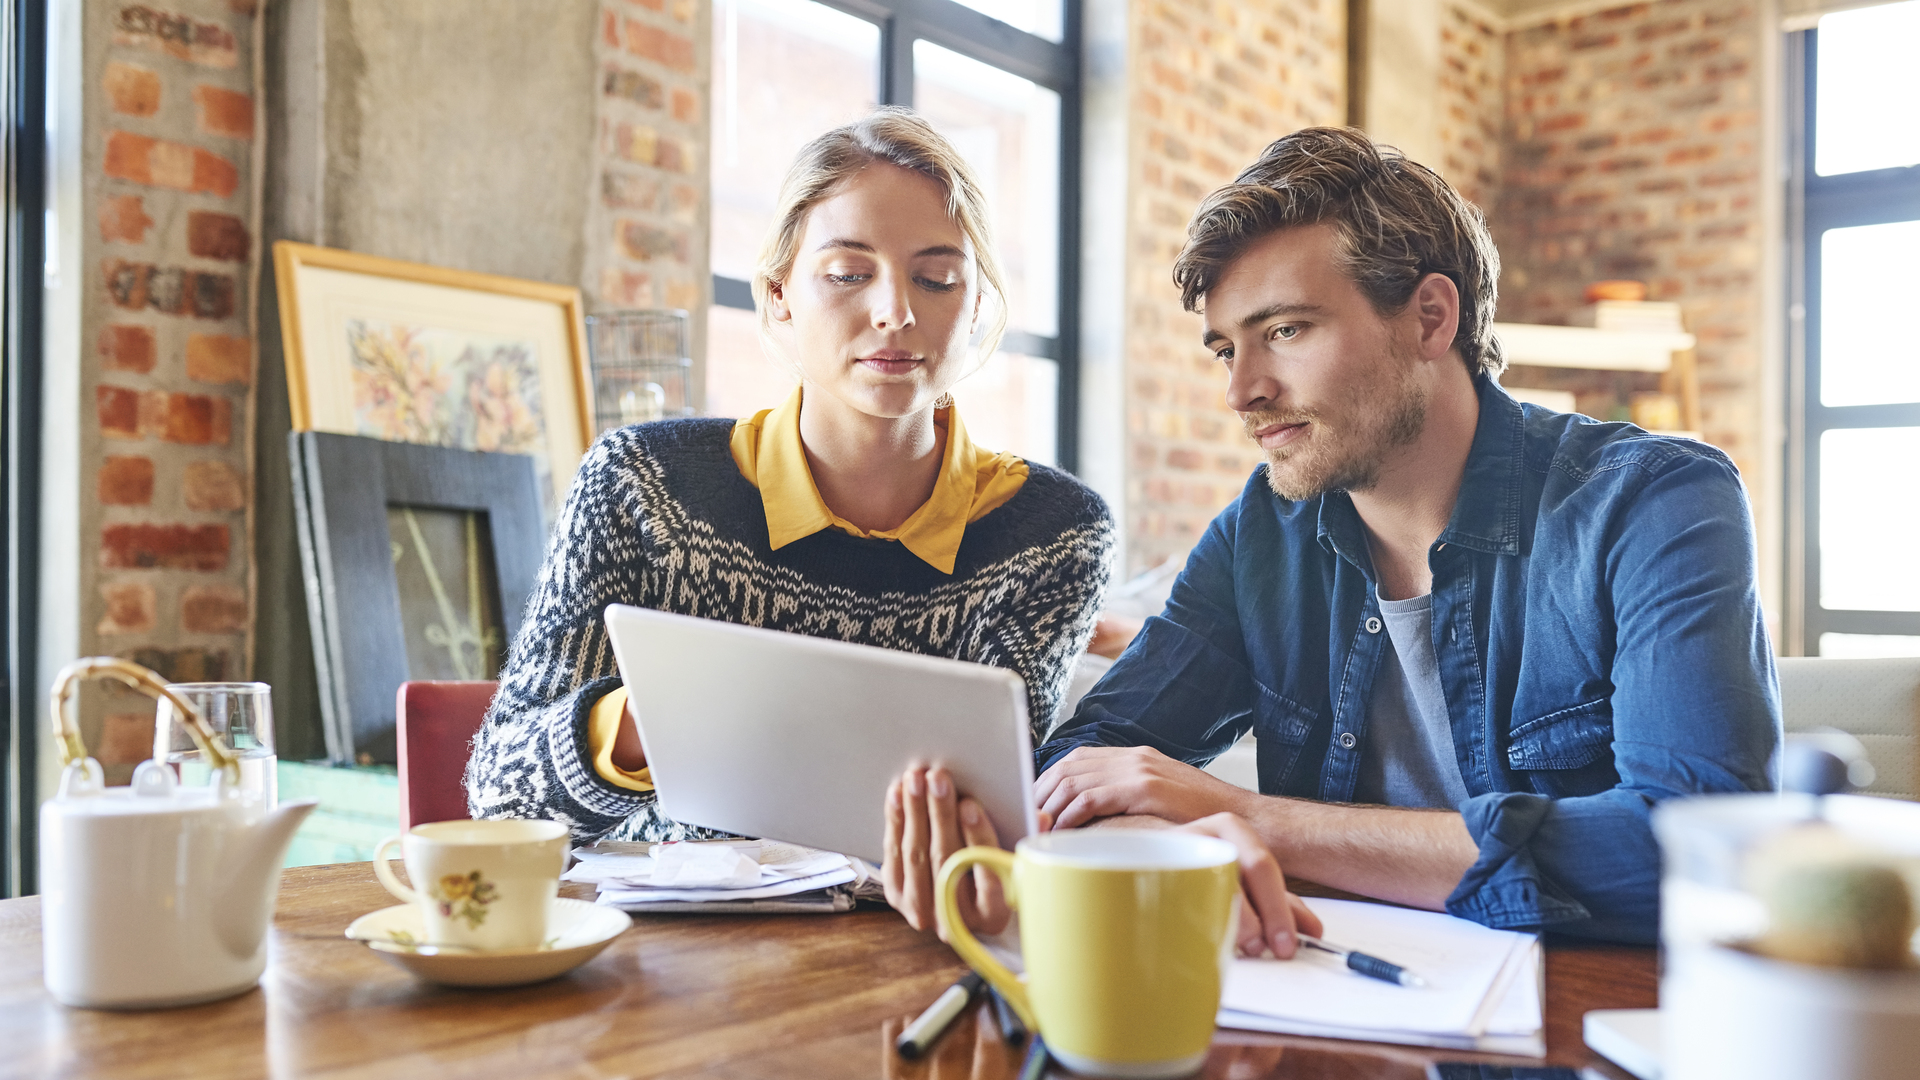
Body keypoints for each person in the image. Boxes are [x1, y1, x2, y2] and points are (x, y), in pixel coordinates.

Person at [892, 126, 1780, 949]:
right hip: (1326, 1002)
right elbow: (1086, 763)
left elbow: (1697, 847)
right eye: (1224, 349)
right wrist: (1173, 840)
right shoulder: (1262, 534)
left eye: (1285, 330)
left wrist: (1254, 818)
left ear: (1432, 318)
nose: (1242, 392)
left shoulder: (1655, 501)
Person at [465, 109, 1113, 936]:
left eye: (936, 279)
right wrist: (644, 720)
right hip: (662, 961)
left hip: (907, 955)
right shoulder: (639, 485)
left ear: (978, 300)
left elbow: (990, 817)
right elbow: (499, 796)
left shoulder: (1054, 533)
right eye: (847, 273)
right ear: (777, 296)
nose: (895, 313)